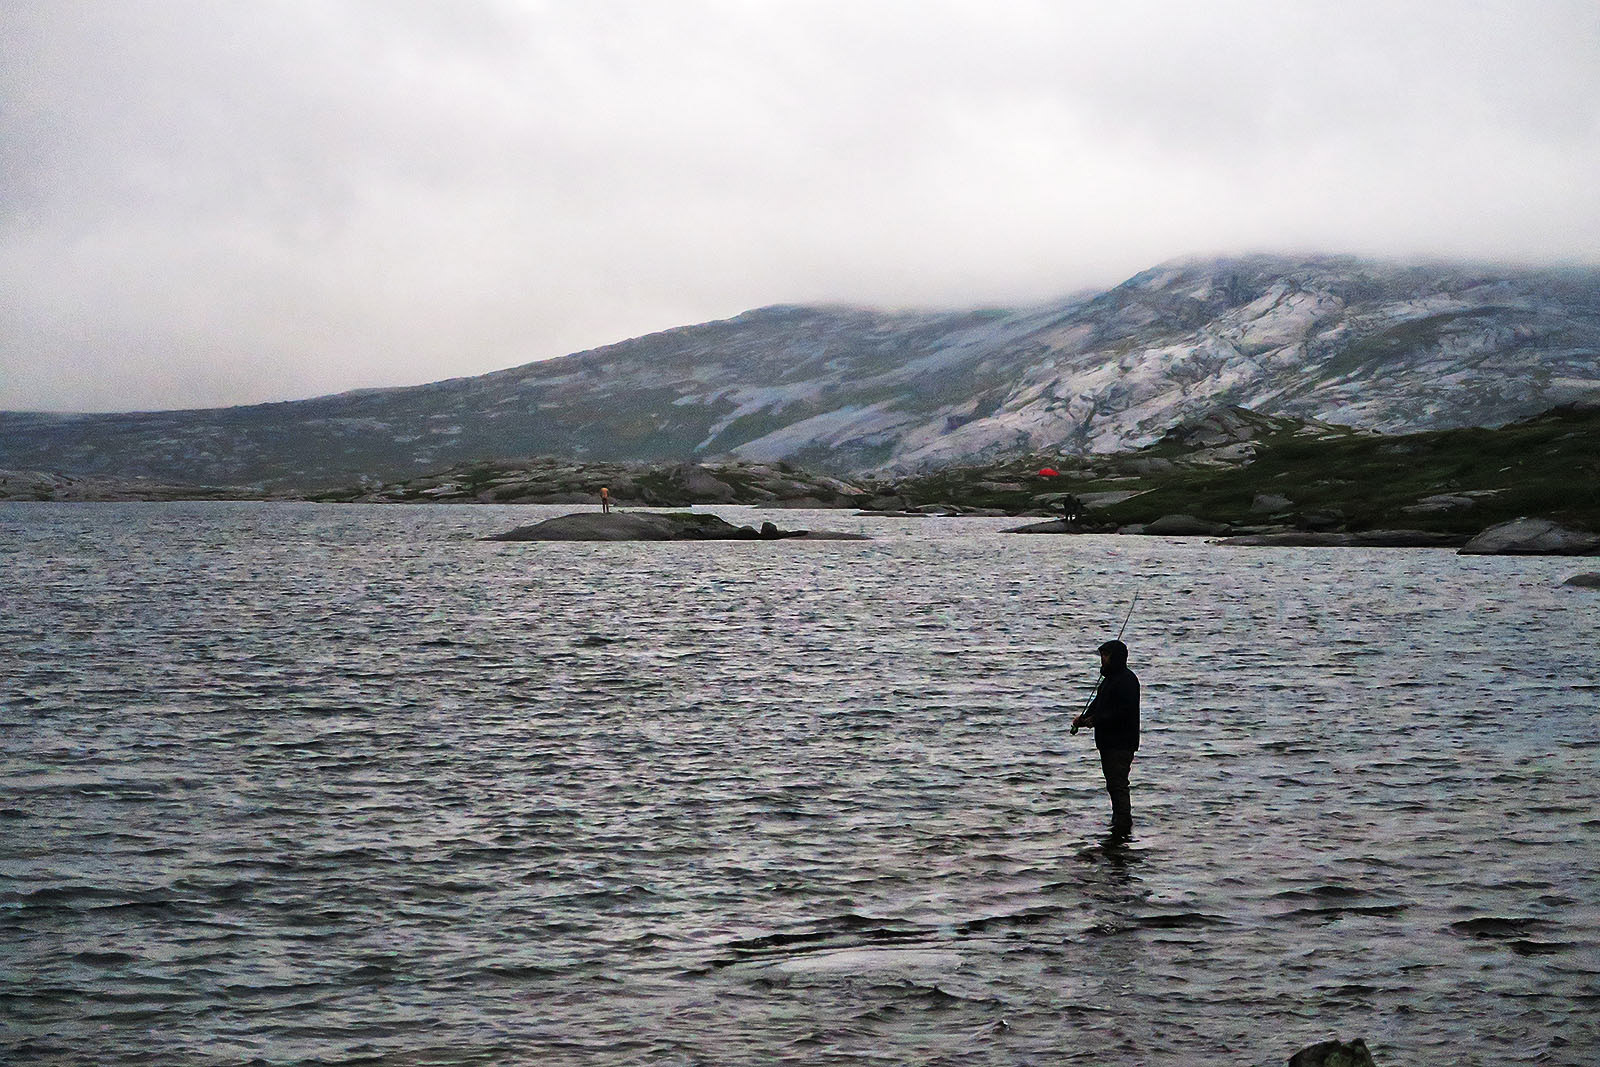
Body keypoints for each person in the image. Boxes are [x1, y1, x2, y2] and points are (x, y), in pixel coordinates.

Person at [1071, 639, 1140, 835]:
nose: (1102, 659)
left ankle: (1123, 825)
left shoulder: (1126, 681)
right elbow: (1098, 704)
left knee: (1118, 785)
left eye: (1106, 655)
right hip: (1109, 742)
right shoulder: (1109, 680)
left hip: (1121, 743)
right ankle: (1119, 825)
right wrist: (1084, 718)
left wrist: (1095, 720)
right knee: (1113, 784)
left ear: (1116, 658)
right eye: (1102, 655)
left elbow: (1121, 712)